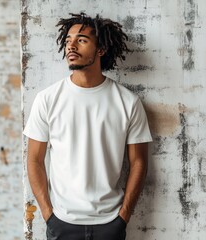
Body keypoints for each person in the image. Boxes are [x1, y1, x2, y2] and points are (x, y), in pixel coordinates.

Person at [23, 12, 152, 240]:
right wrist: (48, 214)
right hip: (62, 221)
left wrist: (123, 216)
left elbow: (139, 161)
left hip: (110, 222)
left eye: (81, 40)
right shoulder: (48, 99)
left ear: (101, 49)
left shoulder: (128, 102)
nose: (71, 46)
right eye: (68, 40)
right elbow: (34, 159)